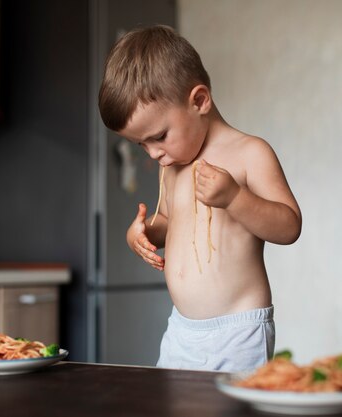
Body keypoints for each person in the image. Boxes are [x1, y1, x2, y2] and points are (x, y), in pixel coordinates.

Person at [98, 25, 302, 372]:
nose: (154, 154)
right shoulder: (173, 165)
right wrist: (145, 234)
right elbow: (170, 223)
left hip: (238, 332)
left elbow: (289, 226)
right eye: (141, 145)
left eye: (159, 137)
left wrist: (236, 198)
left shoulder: (249, 153)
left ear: (199, 101)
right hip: (181, 330)